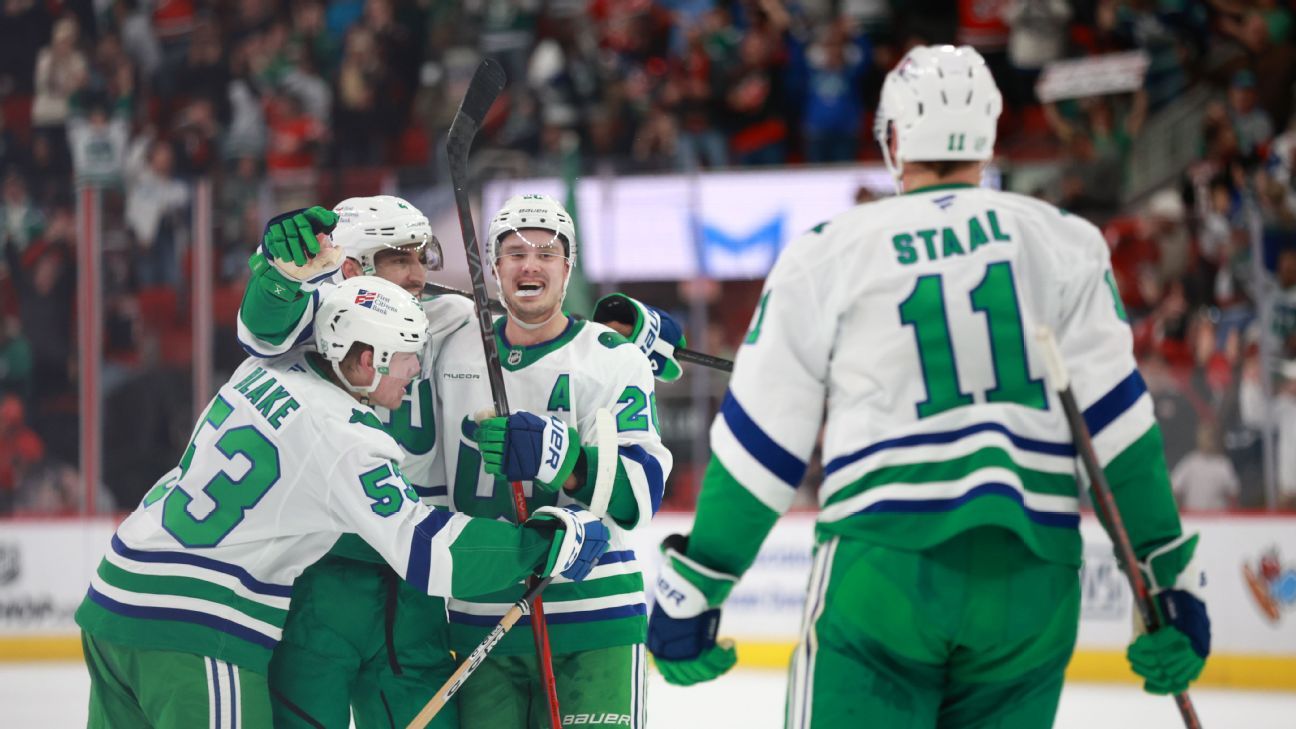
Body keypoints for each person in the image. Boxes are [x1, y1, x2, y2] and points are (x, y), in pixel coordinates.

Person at [645, 45, 1212, 728]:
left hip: (886, 561)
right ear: (990, 135)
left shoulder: (828, 251)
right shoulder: (1066, 241)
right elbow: (1119, 431)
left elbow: (763, 439)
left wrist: (699, 581)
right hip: (1034, 579)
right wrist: (1167, 576)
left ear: (893, 139)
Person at [76, 275, 610, 728]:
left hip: (116, 594)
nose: (415, 372)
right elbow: (431, 553)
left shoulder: (266, 366)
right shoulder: (345, 438)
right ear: (366, 359)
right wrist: (542, 545)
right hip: (195, 626)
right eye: (407, 356)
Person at [240, 194, 683, 728]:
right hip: (337, 568)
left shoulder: (450, 321)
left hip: (429, 573)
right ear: (352, 268)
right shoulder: (321, 324)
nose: (418, 276)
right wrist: (276, 274)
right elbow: (264, 331)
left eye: (419, 257)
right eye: (397, 259)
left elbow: (542, 331)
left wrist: (619, 333)